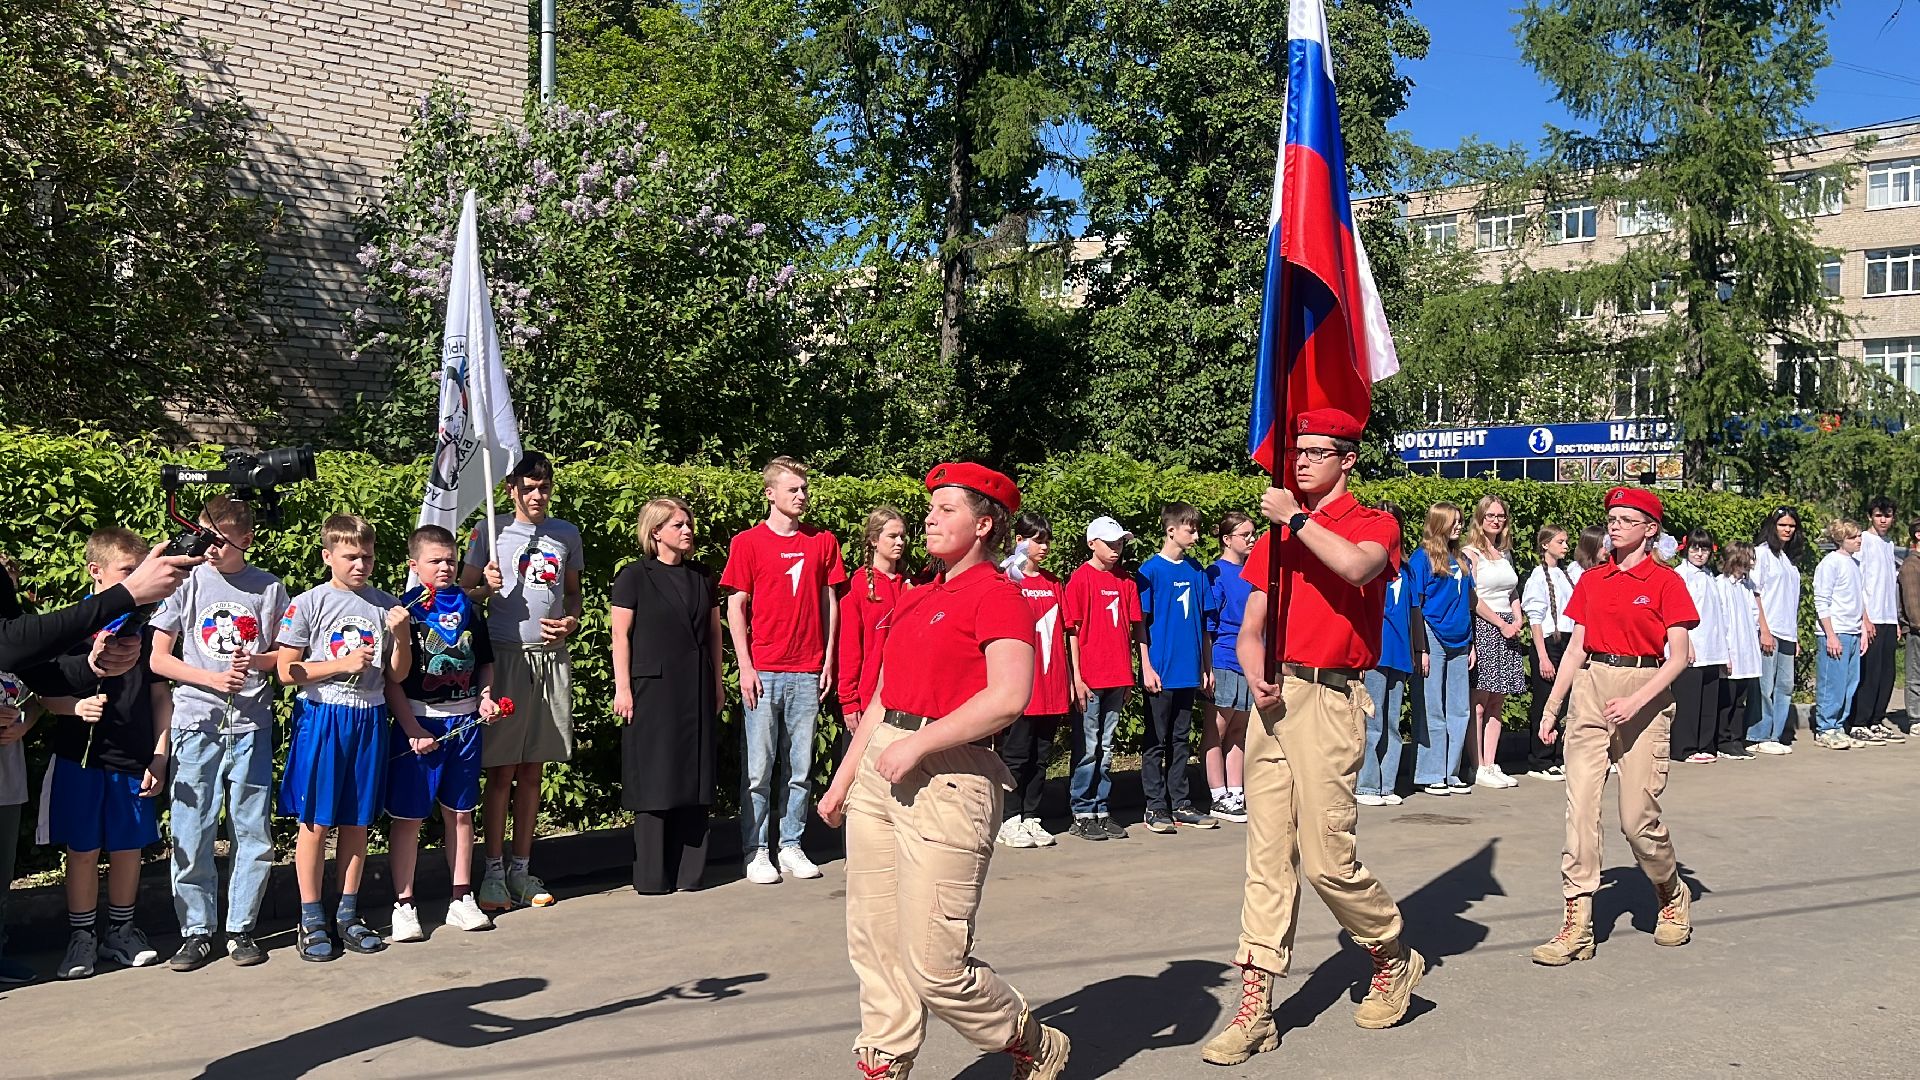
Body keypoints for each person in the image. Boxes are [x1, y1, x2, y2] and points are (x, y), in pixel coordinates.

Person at [817, 463, 1071, 1080]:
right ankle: (885, 1059)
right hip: (882, 765)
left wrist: (921, 744)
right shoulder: (917, 595)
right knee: (874, 940)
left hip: (951, 776)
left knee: (936, 965)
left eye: (946, 509)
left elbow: (1008, 696)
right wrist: (845, 778)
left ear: (984, 525)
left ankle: (1031, 1041)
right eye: (929, 508)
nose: (929, 519)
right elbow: (883, 696)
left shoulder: (998, 596)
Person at [1200, 409, 1423, 1067]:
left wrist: (1297, 520)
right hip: (1277, 698)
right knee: (1267, 859)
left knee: (1328, 859)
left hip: (1331, 699)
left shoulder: (1372, 523)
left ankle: (1389, 950)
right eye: (1296, 451)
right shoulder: (1276, 535)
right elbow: (1251, 627)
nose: (1299, 462)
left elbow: (1357, 569)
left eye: (1316, 452)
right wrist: (1252, 668)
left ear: (1347, 459)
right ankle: (1255, 1008)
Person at [1533, 486, 1699, 966]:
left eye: (1627, 519)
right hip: (1590, 690)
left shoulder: (1667, 582)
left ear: (1650, 529)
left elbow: (1679, 657)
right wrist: (1552, 708)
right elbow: (1576, 649)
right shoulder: (1592, 580)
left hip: (1643, 691)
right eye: (1612, 518)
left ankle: (1670, 892)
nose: (1616, 525)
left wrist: (1636, 701)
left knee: (1636, 820)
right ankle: (1577, 925)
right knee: (1580, 811)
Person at [148, 497, 289, 971]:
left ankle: (240, 927)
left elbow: (283, 655)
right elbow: (158, 658)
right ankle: (196, 931)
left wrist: (257, 661)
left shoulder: (269, 587)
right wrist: (211, 678)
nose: (209, 549)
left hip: (251, 725)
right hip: (196, 723)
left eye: (221, 542)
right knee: (192, 829)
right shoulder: (185, 581)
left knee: (252, 829)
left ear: (246, 540)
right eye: (205, 538)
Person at [276, 514, 412, 962]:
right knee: (316, 821)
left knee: (357, 820)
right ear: (327, 556)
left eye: (367, 557)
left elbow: (396, 676)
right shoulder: (308, 603)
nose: (360, 564)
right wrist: (340, 664)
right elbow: (286, 671)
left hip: (369, 716)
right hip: (323, 716)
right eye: (351, 556)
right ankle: (311, 917)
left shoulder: (385, 605)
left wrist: (402, 638)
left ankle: (348, 913)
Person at [43, 528, 171, 981]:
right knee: (82, 850)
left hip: (133, 759)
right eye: (127, 571)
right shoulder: (67, 627)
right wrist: (74, 707)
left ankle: (121, 931)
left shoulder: (145, 627)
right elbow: (43, 693)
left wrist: (160, 755)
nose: (137, 579)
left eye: (141, 570)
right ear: (96, 572)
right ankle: (81, 937)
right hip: (79, 760)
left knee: (128, 848)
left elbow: (160, 697)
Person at [461, 451, 585, 910]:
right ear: (511, 489)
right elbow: (459, 595)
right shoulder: (488, 532)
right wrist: (483, 587)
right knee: (501, 771)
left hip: (551, 661)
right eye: (529, 487)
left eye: (544, 487)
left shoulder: (566, 533)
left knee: (533, 769)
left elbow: (573, 595)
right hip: (505, 659)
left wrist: (571, 622)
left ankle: (521, 869)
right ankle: (492, 873)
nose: (537, 495)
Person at [721, 456, 846, 884]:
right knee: (758, 769)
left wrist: (828, 659)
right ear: (770, 493)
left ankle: (790, 844)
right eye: (793, 489)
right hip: (764, 670)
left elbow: (830, 602)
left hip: (807, 670)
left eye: (805, 488)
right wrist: (745, 666)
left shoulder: (822, 541)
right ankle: (756, 850)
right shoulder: (747, 543)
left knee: (800, 768)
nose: (802, 496)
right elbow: (736, 605)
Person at [385, 526, 500, 940]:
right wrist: (411, 727)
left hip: (464, 723)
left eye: (450, 560)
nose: (445, 567)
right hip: (420, 722)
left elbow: (484, 662)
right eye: (435, 561)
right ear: (414, 565)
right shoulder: (404, 610)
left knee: (462, 812)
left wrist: (485, 698)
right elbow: (391, 680)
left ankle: (461, 897)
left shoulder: (470, 607)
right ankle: (404, 904)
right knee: (409, 818)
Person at [612, 498, 724, 895]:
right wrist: (622, 687)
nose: (687, 530)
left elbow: (714, 633)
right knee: (656, 775)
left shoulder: (702, 576)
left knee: (694, 775)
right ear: (656, 532)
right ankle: (653, 876)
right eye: (678, 524)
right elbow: (620, 635)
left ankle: (689, 874)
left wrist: (718, 683)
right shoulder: (633, 576)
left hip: (696, 686)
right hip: (652, 689)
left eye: (688, 523)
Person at [1135, 502, 1219, 833]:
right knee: (1156, 740)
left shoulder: (1196, 571)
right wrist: (1146, 667)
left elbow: (1205, 626)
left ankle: (1181, 803)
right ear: (1171, 531)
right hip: (1161, 671)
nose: (1196, 536)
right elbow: (1140, 626)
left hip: (1189, 671)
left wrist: (1206, 667)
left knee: (1181, 740)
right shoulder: (1151, 571)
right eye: (1190, 530)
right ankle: (1155, 807)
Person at [1063, 515, 1142, 841]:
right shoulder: (1080, 580)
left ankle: (1100, 808)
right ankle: (1081, 812)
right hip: (1091, 679)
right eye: (1110, 543)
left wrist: (1129, 676)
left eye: (1120, 542)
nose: (1116, 549)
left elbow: (1131, 631)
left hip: (1117, 677)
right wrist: (1077, 678)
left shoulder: (1126, 582)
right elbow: (1072, 632)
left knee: (1106, 747)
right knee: (1088, 747)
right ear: (1092, 543)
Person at [996, 511, 1068, 849]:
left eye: (1047, 541)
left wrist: (1071, 681)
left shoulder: (1053, 583)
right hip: (1021, 687)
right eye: (1037, 540)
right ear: (1019, 541)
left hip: (1052, 684)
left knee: (1041, 756)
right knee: (1015, 755)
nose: (1044, 547)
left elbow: (1067, 634)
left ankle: (1031, 816)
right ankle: (1008, 818)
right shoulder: (1006, 581)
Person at [1407, 503, 1475, 797]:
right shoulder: (1421, 558)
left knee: (1460, 709)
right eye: (1453, 521)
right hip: (1432, 635)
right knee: (1431, 706)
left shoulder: (1461, 559)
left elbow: (1468, 603)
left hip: (1461, 639)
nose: (1459, 526)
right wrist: (1420, 648)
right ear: (1439, 523)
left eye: (1460, 521)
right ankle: (1430, 773)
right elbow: (1416, 605)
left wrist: (1471, 643)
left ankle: (1451, 772)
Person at [1462, 495, 1524, 788]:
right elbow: (1472, 597)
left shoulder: (1505, 553)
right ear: (1480, 518)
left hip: (1508, 628)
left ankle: (1491, 762)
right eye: (1491, 516)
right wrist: (1501, 623)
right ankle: (1477, 766)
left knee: (1498, 700)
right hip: (1485, 626)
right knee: (1479, 701)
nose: (1496, 521)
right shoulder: (1470, 553)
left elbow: (1512, 591)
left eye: (1501, 516)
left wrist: (1517, 618)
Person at [1204, 511, 1257, 822]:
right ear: (1226, 539)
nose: (1251, 539)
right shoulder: (1216, 573)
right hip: (1224, 658)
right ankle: (1217, 794)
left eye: (1252, 533)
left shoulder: (1253, 572)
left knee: (1239, 729)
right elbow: (1209, 626)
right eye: (1244, 534)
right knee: (1217, 728)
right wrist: (1207, 667)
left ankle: (1235, 791)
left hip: (1249, 660)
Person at [1359, 502, 1411, 807]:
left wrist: (1419, 649)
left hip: (1400, 653)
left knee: (1392, 723)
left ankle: (1386, 783)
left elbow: (1414, 613)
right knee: (1372, 721)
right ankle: (1366, 784)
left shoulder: (1406, 569)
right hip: (1376, 653)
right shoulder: (1368, 565)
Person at [838, 507, 908, 729]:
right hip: (868, 698)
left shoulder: (910, 586)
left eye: (902, 536)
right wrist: (849, 700)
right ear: (874, 541)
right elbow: (849, 647)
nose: (899, 542)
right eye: (892, 536)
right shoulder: (858, 586)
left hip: (905, 698)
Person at [1520, 524, 1577, 781]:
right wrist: (1543, 656)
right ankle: (1540, 758)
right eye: (1560, 542)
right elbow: (1536, 619)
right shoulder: (1537, 577)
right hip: (1548, 642)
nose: (1565, 546)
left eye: (1566, 542)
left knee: (1563, 701)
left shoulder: (1566, 575)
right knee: (1545, 699)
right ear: (1545, 545)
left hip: (1567, 641)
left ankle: (1557, 755)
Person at [1746, 507, 1805, 754]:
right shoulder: (1761, 554)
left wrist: (1795, 636)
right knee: (1764, 686)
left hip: (1787, 632)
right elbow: (1755, 593)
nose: (1787, 530)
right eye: (1782, 525)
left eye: (1791, 526)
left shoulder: (1788, 560)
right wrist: (1764, 630)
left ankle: (1775, 734)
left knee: (1785, 686)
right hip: (1768, 630)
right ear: (1773, 526)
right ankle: (1758, 735)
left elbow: (1789, 601)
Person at [1847, 497, 1904, 744]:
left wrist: (1896, 620)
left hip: (1888, 617)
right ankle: (1859, 722)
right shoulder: (1864, 541)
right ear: (1870, 516)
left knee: (1886, 673)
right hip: (1871, 617)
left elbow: (1890, 585)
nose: (1883, 520)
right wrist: (1865, 618)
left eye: (1887, 515)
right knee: (1869, 673)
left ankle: (1876, 720)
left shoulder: (1888, 544)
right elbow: (1858, 581)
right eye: (1879, 515)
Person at [1810, 520, 1871, 751]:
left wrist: (1862, 630)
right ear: (1840, 539)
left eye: (1859, 536)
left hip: (1853, 631)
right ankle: (1825, 728)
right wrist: (1831, 635)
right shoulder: (1830, 563)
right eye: (1853, 537)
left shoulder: (1855, 564)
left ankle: (1839, 726)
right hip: (1836, 632)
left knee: (1849, 683)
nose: (1858, 540)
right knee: (1832, 683)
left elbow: (1858, 600)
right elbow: (1821, 600)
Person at [1672, 530, 1730, 764]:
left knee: (1708, 700)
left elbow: (1718, 616)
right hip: (1691, 646)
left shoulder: (1709, 576)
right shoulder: (1681, 575)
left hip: (1712, 648)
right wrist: (1686, 642)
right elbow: (1678, 613)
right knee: (1689, 700)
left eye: (1704, 549)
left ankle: (1705, 744)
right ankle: (1684, 747)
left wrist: (1725, 652)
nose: (1699, 554)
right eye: (1695, 549)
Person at [1717, 541, 1769, 760]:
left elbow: (1754, 615)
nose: (1751, 563)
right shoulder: (1721, 585)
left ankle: (1736, 739)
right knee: (1727, 699)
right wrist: (1725, 653)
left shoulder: (1746, 586)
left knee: (1740, 699)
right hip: (1731, 649)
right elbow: (1721, 621)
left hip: (1746, 649)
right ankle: (1723, 740)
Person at [1902, 518, 1920, 736]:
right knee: (1915, 674)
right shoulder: (1911, 565)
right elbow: (1912, 601)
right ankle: (1916, 718)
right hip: (1917, 631)